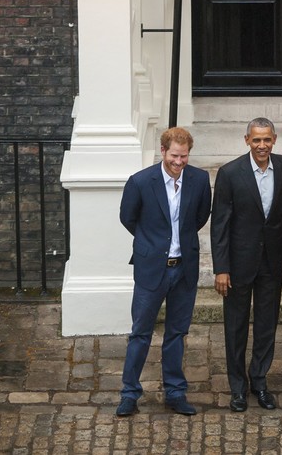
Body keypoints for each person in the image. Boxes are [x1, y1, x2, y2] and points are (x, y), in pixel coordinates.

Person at [116, 127, 212, 417]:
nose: (179, 162)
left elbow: (200, 216)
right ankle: (129, 393)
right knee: (140, 333)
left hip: (184, 268)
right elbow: (128, 218)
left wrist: (178, 242)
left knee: (177, 333)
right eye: (174, 156)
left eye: (184, 156)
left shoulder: (199, 179)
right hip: (151, 269)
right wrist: (152, 244)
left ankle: (175, 392)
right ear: (162, 151)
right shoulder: (141, 181)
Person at [210, 117, 282, 412]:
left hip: (271, 262)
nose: (262, 145)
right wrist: (221, 268)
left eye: (267, 139)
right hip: (237, 264)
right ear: (246, 140)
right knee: (235, 327)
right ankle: (237, 388)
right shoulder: (230, 173)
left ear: (275, 139)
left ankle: (259, 381)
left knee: (266, 326)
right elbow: (219, 225)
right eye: (256, 140)